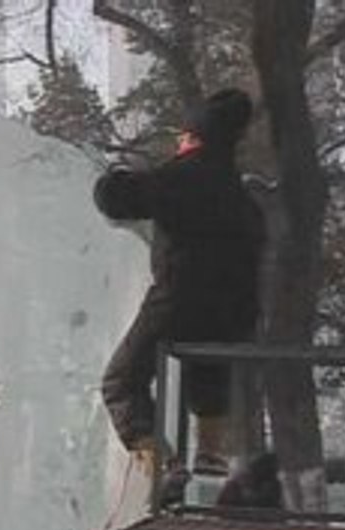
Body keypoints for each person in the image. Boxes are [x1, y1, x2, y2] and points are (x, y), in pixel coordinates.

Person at [93, 88, 267, 476]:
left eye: (181, 135)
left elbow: (119, 199)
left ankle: (162, 465)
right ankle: (210, 456)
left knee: (121, 381)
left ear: (193, 136)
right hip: (234, 311)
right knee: (208, 381)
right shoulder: (239, 191)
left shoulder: (184, 174)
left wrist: (111, 177)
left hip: (180, 299)